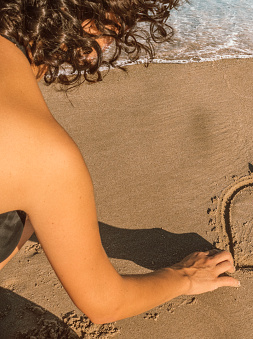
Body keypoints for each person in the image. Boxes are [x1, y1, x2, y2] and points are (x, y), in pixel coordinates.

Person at [0, 0, 239, 324]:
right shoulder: (47, 155)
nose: (116, 38)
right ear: (87, 21)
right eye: (117, 25)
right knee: (28, 212)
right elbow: (104, 302)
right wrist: (184, 276)